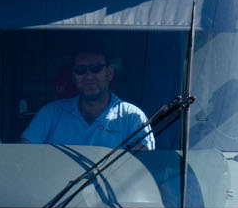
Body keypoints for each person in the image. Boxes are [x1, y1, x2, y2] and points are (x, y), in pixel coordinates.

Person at [22, 52, 155, 150]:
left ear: (109, 73)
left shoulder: (132, 117)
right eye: (81, 70)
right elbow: (23, 154)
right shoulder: (52, 113)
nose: (88, 76)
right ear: (74, 77)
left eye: (96, 68)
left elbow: (145, 168)